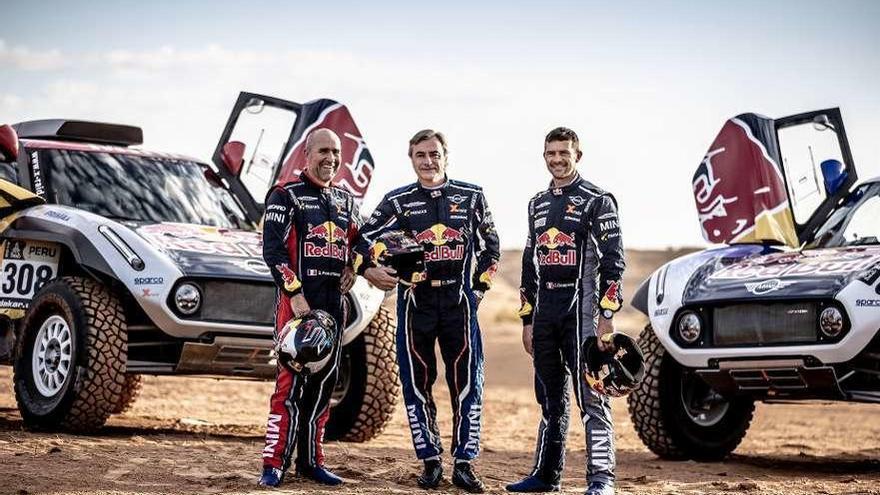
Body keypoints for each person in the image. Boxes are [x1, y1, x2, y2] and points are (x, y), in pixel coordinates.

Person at [355, 129, 500, 493]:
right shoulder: (398, 201)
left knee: (467, 385)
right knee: (416, 382)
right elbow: (361, 237)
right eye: (421, 155)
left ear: (446, 156)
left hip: (458, 303)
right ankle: (431, 460)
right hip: (414, 302)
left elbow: (491, 246)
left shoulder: (471, 196)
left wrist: (478, 290)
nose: (428, 161)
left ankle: (465, 463)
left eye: (434, 154)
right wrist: (371, 268)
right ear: (412, 159)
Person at [507, 127, 625, 495]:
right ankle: (546, 476)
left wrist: (607, 316)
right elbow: (530, 263)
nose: (557, 159)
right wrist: (527, 320)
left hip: (583, 316)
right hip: (545, 316)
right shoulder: (536, 204)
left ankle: (602, 480)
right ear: (544, 156)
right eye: (550, 153)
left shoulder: (598, 200)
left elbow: (614, 262)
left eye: (564, 153)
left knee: (592, 397)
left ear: (578, 155)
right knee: (550, 399)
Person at [258, 128, 361, 488]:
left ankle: (311, 461)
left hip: (334, 309)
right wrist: (295, 292)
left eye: (336, 152)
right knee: (288, 387)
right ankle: (273, 464)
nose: (330, 158)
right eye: (323, 151)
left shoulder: (347, 202)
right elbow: (272, 252)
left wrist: (355, 266)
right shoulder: (285, 195)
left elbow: (360, 243)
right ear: (306, 153)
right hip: (297, 307)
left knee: (323, 387)